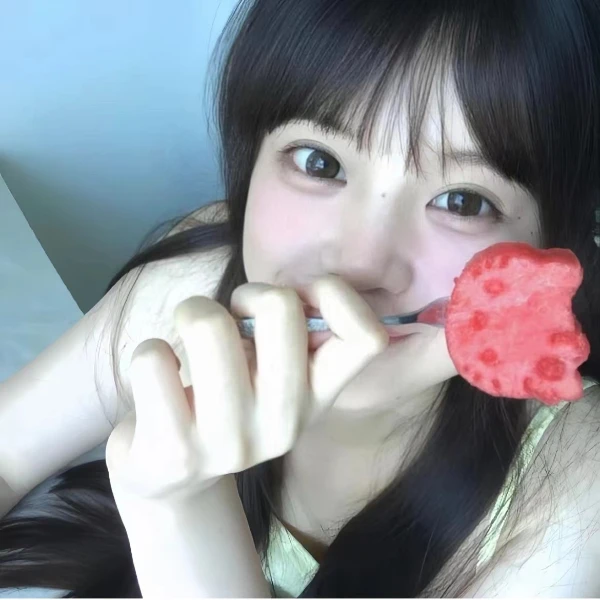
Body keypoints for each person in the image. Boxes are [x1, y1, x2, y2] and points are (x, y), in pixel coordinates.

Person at [1, 0, 600, 596]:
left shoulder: (576, 481)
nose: (358, 266)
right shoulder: (192, 285)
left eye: (463, 202)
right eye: (320, 162)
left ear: (557, 247)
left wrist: (181, 510)